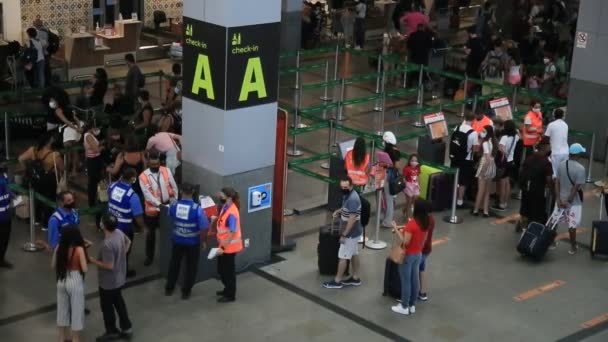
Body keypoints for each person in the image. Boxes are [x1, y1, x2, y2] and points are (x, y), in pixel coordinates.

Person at [88, 214, 133, 341]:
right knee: (119, 303)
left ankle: (111, 330)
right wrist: (122, 255)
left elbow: (109, 266)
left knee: (107, 307)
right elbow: (128, 241)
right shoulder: (118, 233)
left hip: (108, 282)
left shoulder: (107, 244)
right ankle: (126, 327)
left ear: (103, 225)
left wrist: (93, 261)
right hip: (119, 278)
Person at [165, 183, 210, 299]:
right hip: (193, 243)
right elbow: (204, 227)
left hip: (177, 241)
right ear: (193, 192)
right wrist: (203, 241)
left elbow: (170, 215)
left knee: (174, 264)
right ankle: (186, 292)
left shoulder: (174, 206)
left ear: (180, 192)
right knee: (191, 267)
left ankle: (169, 288)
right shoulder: (198, 209)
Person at [391, 199, 431, 316]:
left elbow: (405, 242)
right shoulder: (426, 222)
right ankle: (412, 304)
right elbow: (423, 240)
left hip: (407, 256)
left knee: (406, 281)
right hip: (418, 254)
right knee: (415, 279)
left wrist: (396, 229)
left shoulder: (411, 224)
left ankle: (404, 306)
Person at [323, 176, 363, 289]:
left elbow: (352, 218)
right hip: (355, 232)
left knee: (343, 256)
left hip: (350, 233)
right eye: (342, 187)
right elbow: (349, 210)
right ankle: (355, 278)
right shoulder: (348, 195)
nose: (343, 189)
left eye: (345, 187)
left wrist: (344, 234)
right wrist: (340, 211)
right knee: (354, 253)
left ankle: (337, 281)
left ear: (351, 186)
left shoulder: (353, 199)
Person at [108, 167, 148, 278]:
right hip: (124, 228)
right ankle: (122, 273)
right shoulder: (132, 196)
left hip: (110, 224)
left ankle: (114, 268)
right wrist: (143, 227)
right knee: (124, 251)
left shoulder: (112, 186)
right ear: (132, 179)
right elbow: (138, 216)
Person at [139, 151, 178, 266]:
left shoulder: (166, 170)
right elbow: (147, 195)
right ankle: (149, 257)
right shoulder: (143, 176)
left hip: (167, 205)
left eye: (156, 164)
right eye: (152, 165)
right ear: (148, 164)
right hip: (152, 209)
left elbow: (173, 186)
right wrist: (159, 204)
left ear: (159, 162)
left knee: (168, 231)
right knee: (151, 235)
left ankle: (168, 254)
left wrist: (174, 200)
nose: (155, 167)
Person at [18, 133, 64, 230]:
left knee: (36, 198)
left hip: (35, 179)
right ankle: (46, 224)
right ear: (49, 141)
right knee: (49, 201)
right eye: (52, 139)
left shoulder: (33, 150)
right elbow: (62, 168)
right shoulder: (55, 155)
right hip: (49, 181)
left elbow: (20, 159)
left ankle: (36, 219)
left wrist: (27, 170)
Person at [52, 225, 88, 342]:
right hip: (75, 280)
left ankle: (62, 338)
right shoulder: (79, 250)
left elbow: (53, 266)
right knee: (77, 312)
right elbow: (85, 268)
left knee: (62, 311)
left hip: (62, 280)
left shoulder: (59, 247)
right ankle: (75, 339)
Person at [554, 143, 586, 255]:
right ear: (577, 154)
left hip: (560, 198)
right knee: (572, 226)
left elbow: (557, 182)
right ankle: (573, 246)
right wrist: (569, 201)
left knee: (554, 221)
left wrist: (558, 199)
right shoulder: (581, 169)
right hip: (574, 202)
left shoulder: (562, 164)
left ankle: (550, 242)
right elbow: (575, 188)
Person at [213, 187, 244, 302]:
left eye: (221, 196)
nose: (219, 197)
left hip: (229, 248)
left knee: (228, 272)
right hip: (224, 246)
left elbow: (232, 232)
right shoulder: (226, 207)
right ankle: (227, 289)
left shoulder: (232, 212)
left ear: (229, 198)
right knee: (222, 270)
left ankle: (230, 295)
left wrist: (223, 247)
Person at [517, 138, 553, 232]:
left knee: (525, 211)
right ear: (545, 147)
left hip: (526, 189)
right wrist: (552, 189)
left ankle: (523, 230)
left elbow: (522, 171)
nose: (550, 148)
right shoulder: (546, 163)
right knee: (537, 214)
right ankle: (532, 233)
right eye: (549, 146)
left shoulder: (529, 158)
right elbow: (549, 179)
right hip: (538, 192)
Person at [107, 136, 146, 205]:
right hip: (138, 185)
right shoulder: (141, 154)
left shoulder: (122, 155)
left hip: (125, 185)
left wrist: (108, 169)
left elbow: (115, 171)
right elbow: (145, 170)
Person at [453, 112, 479, 207]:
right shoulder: (473, 133)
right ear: (473, 120)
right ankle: (460, 200)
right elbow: (475, 149)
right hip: (467, 159)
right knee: (463, 180)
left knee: (456, 177)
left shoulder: (457, 128)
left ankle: (453, 197)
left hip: (455, 157)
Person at [83, 120, 104, 229]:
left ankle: (94, 202)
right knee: (93, 183)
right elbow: (96, 150)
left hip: (94, 161)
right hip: (93, 161)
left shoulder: (89, 135)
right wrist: (102, 147)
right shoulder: (88, 136)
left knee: (93, 183)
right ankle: (94, 203)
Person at [473, 125, 497, 217]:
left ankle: (476, 209)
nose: (481, 132)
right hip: (492, 166)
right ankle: (485, 211)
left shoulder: (485, 143)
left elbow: (486, 158)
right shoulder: (494, 141)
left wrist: (483, 171)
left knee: (480, 190)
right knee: (487, 191)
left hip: (485, 165)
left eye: (483, 131)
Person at [495, 120, 519, 211]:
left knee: (502, 183)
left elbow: (500, 148)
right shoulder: (515, 136)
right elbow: (519, 134)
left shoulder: (504, 137)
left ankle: (501, 203)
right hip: (510, 160)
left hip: (504, 161)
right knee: (507, 182)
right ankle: (505, 202)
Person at [382, 131, 401, 228]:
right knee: (390, 199)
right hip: (392, 177)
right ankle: (388, 218)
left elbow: (397, 165)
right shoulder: (396, 150)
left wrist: (388, 164)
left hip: (388, 176)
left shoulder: (390, 151)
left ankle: (388, 221)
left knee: (388, 200)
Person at [545, 108, 569, 177]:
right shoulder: (565, 125)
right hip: (565, 152)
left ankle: (554, 187)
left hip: (555, 153)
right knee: (563, 174)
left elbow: (546, 138)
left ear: (554, 116)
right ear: (563, 116)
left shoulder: (551, 125)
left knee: (554, 174)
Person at [418, 206, 435, 302]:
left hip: (421, 249)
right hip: (427, 249)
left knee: (414, 270)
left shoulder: (425, 222)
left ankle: (413, 292)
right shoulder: (432, 219)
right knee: (422, 269)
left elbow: (423, 237)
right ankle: (423, 293)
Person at [0, 164, 13, 268]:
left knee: (4, 239)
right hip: (3, 215)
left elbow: (8, 191)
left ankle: (1, 259)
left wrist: (12, 196)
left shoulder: (4, 177)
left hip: (6, 215)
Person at [402, 154, 421, 221]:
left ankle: (404, 210)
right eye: (412, 160)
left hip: (415, 185)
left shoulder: (418, 168)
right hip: (409, 185)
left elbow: (418, 176)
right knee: (409, 201)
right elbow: (403, 178)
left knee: (414, 200)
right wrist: (406, 185)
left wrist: (419, 185)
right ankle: (408, 217)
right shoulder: (406, 169)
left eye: (415, 160)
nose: (414, 162)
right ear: (409, 161)